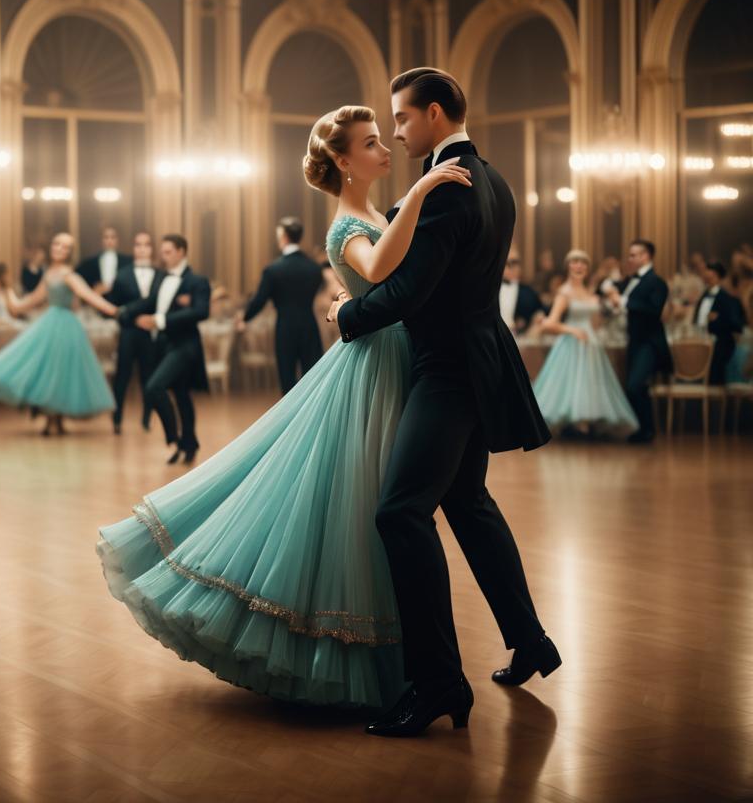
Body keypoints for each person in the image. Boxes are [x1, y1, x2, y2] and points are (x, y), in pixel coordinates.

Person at [97, 105, 471, 709]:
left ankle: (421, 665)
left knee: (389, 502)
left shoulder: (377, 210)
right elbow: (378, 267)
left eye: (384, 139)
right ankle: (374, 659)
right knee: (363, 500)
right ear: (345, 162)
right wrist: (424, 189)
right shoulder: (348, 223)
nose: (386, 150)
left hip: (396, 357)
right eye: (372, 143)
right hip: (373, 368)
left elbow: (381, 279)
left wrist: (354, 286)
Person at [332, 69, 556, 737]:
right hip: (482, 360)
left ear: (433, 114)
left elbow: (407, 296)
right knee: (467, 504)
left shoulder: (447, 188)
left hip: (449, 370)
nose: (396, 132)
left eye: (401, 119)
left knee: (401, 512)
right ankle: (531, 640)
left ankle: (437, 684)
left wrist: (347, 314)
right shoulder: (494, 180)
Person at [0, 232, 117, 436]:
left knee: (60, 371)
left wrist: (116, 311)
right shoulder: (50, 273)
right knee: (48, 370)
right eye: (57, 244)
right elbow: (32, 299)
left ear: (70, 253)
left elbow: (88, 296)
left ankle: (56, 420)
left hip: (65, 326)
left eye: (65, 247)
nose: (59, 248)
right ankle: (52, 419)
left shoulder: (70, 275)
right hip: (50, 323)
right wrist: (11, 298)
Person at [117, 235, 210, 464]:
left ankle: (174, 438)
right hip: (165, 346)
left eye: (168, 252)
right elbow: (149, 302)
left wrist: (161, 320)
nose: (163, 256)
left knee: (153, 387)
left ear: (181, 252)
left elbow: (201, 311)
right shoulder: (162, 279)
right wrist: (123, 311)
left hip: (185, 347)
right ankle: (188, 445)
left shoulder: (197, 281)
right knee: (181, 396)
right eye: (163, 252)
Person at [532, 249, 638, 438]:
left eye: (583, 263)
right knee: (571, 383)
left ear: (588, 268)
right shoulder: (564, 292)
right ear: (568, 267)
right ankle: (576, 425)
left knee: (592, 382)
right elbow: (550, 323)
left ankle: (588, 424)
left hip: (591, 344)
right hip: (571, 344)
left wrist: (612, 307)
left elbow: (597, 322)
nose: (578, 266)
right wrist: (572, 330)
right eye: (574, 262)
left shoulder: (590, 292)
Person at [237, 216, 324, 394]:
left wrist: (244, 317)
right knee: (312, 376)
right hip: (309, 324)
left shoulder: (273, 270)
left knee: (287, 377)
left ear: (283, 237)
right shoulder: (314, 268)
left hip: (285, 327)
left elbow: (260, 300)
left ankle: (292, 420)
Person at [602, 239, 672, 444]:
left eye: (633, 255)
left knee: (635, 385)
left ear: (646, 256)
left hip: (650, 343)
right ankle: (644, 429)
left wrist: (623, 301)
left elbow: (654, 309)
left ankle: (647, 430)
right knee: (636, 386)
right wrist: (610, 291)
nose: (630, 259)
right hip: (635, 341)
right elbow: (606, 288)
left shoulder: (657, 282)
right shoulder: (631, 281)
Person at [104, 231, 160, 434]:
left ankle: (147, 416)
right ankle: (117, 417)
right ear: (133, 248)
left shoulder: (161, 275)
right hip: (128, 333)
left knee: (149, 376)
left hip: (151, 334)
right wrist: (133, 317)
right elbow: (113, 308)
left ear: (152, 248)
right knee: (122, 376)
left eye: (146, 244)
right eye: (138, 244)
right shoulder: (122, 275)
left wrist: (149, 318)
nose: (142, 248)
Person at [694, 260, 746, 385]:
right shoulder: (703, 296)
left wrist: (718, 319)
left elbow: (737, 326)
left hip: (720, 345)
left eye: (709, 274)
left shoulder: (728, 299)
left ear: (716, 276)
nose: (705, 276)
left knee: (715, 372)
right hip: (700, 342)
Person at [499, 245, 545, 334]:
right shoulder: (490, 291)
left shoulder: (528, 292)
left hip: (520, 339)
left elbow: (540, 312)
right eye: (508, 263)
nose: (512, 267)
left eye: (515, 263)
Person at [76, 226, 131, 294]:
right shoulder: (90, 263)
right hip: (96, 300)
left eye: (113, 237)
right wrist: (93, 291)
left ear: (118, 239)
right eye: (106, 237)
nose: (109, 241)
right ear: (101, 240)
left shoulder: (128, 261)